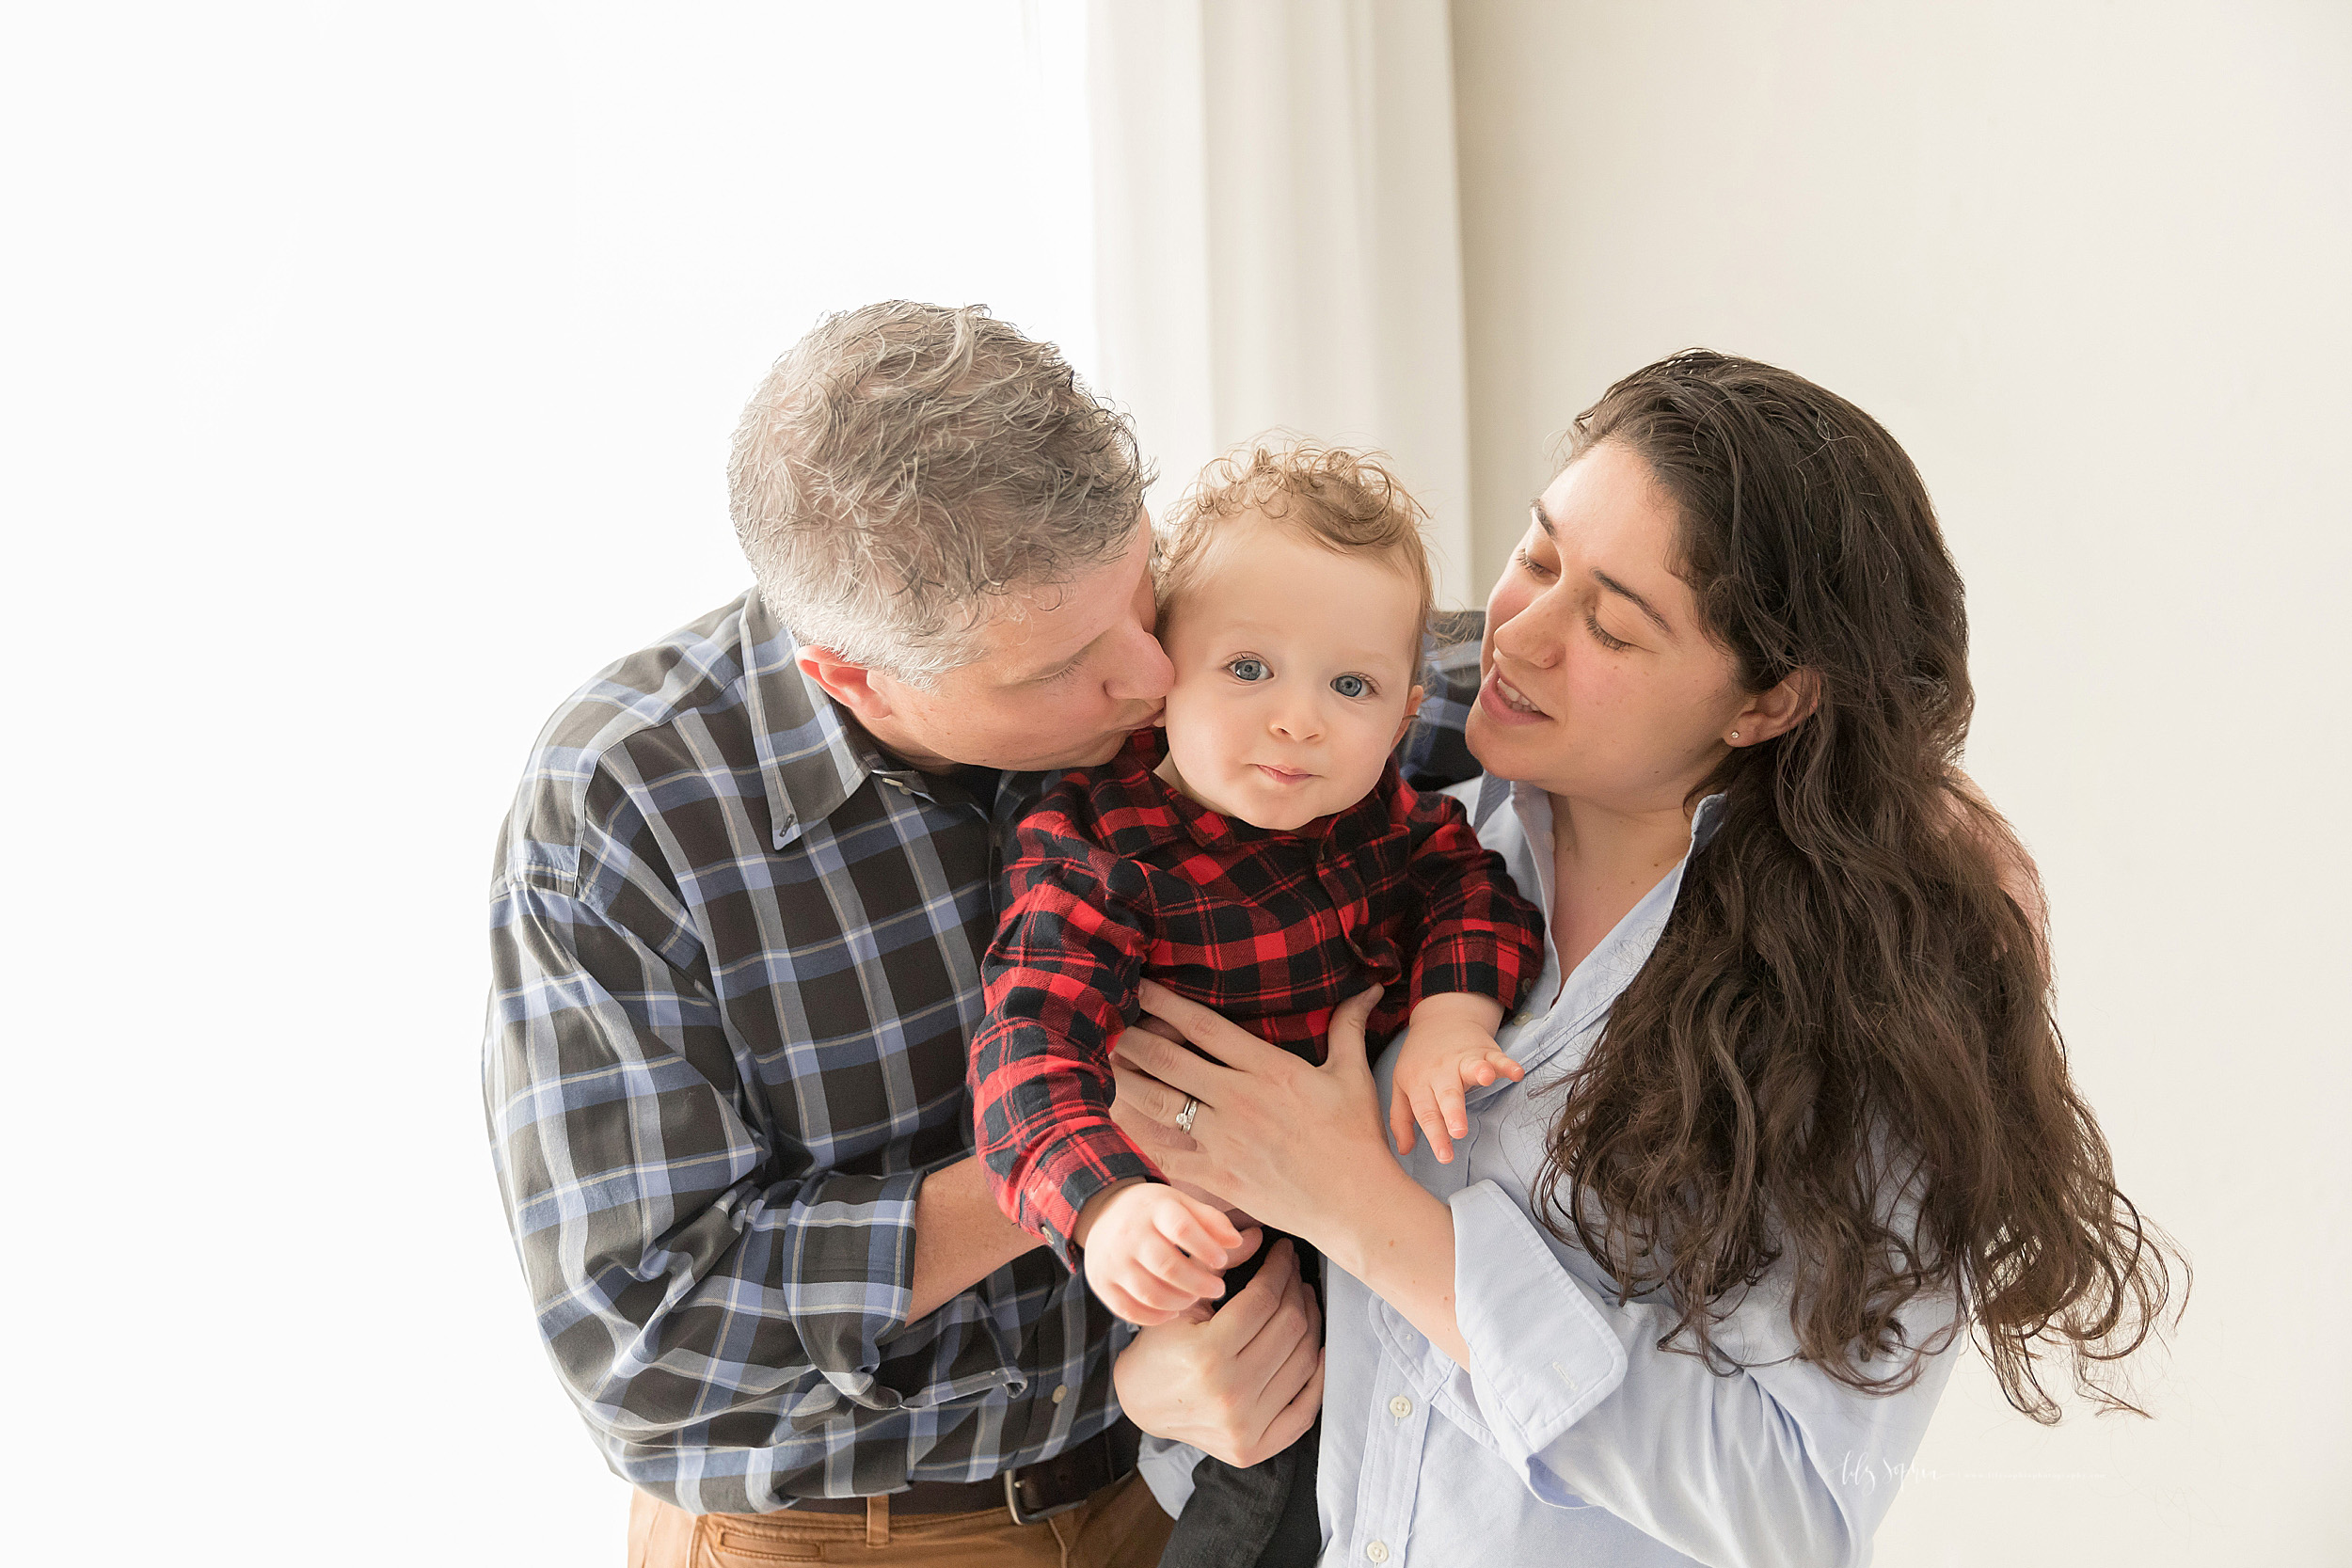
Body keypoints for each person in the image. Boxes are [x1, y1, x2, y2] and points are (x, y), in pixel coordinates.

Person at [1106, 351, 2183, 1565]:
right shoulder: (1407, 829)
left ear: (1767, 702)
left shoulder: (1879, 999)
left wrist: (1368, 1211)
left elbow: (1791, 1507)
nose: (1524, 630)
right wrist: (1160, 1384)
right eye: (1538, 551)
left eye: (1611, 623)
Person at [483, 301, 1324, 1568]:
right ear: (851, 675)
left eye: (1141, 582)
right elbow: (647, 1341)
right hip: (840, 1535)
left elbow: (1471, 697)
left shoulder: (1167, 656)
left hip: (1173, 1485)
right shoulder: (629, 802)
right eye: (1061, 668)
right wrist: (1078, 1143)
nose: (1155, 676)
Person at [968, 446, 1547, 1565]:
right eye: (1246, 668)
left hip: (1375, 1199)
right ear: (1160, 672)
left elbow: (1476, 895)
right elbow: (1029, 1044)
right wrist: (1103, 1209)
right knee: (1267, 1468)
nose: (1298, 721)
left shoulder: (1389, 815)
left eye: (1351, 686)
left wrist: (1451, 1018)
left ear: (1405, 710)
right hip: (1209, 1223)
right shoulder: (1100, 847)